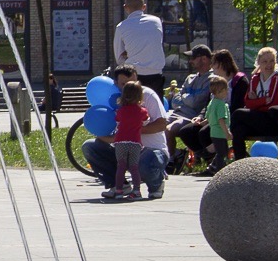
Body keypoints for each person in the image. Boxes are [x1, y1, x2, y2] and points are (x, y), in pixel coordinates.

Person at [81, 64, 170, 200]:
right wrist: (102, 134)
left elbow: (162, 124)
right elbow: (115, 132)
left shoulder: (147, 95)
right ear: (115, 83)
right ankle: (119, 185)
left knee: (145, 161)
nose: (130, 88)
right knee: (91, 146)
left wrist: (132, 130)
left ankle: (156, 184)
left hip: (150, 149)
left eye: (133, 83)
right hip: (123, 147)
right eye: (124, 84)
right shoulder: (112, 99)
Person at [229, 46, 278, 160]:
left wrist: (256, 101)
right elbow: (247, 102)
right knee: (238, 129)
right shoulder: (255, 79)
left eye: (272, 61)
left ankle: (224, 150)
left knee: (238, 114)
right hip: (258, 119)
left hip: (274, 121)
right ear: (259, 63)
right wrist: (263, 100)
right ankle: (240, 164)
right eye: (265, 61)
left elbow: (275, 103)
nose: (269, 65)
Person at [164, 44, 214, 166]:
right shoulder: (190, 78)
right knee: (156, 125)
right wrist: (187, 98)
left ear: (204, 59)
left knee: (169, 130)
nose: (190, 61)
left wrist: (184, 97)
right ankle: (176, 153)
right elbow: (175, 100)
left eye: (193, 58)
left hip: (191, 116)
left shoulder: (212, 79)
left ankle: (172, 159)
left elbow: (197, 103)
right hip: (176, 113)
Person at [114, 0, 166, 98]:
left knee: (135, 107)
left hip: (134, 75)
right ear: (144, 7)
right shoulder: (156, 21)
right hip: (156, 73)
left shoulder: (121, 27)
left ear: (125, 7)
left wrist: (128, 54)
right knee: (156, 109)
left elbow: (119, 58)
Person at [112, 81, 149, 199]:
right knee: (134, 167)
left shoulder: (121, 111)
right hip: (135, 142)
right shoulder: (142, 111)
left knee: (121, 166)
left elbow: (117, 122)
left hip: (120, 141)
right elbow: (146, 121)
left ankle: (118, 190)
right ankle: (137, 190)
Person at [195, 75, 232, 176]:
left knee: (222, 151)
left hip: (213, 132)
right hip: (220, 133)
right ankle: (219, 171)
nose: (227, 91)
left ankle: (213, 166)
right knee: (222, 153)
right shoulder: (221, 104)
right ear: (220, 91)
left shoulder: (212, 103)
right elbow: (221, 119)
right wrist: (227, 132)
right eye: (226, 89)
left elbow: (209, 117)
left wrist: (203, 123)